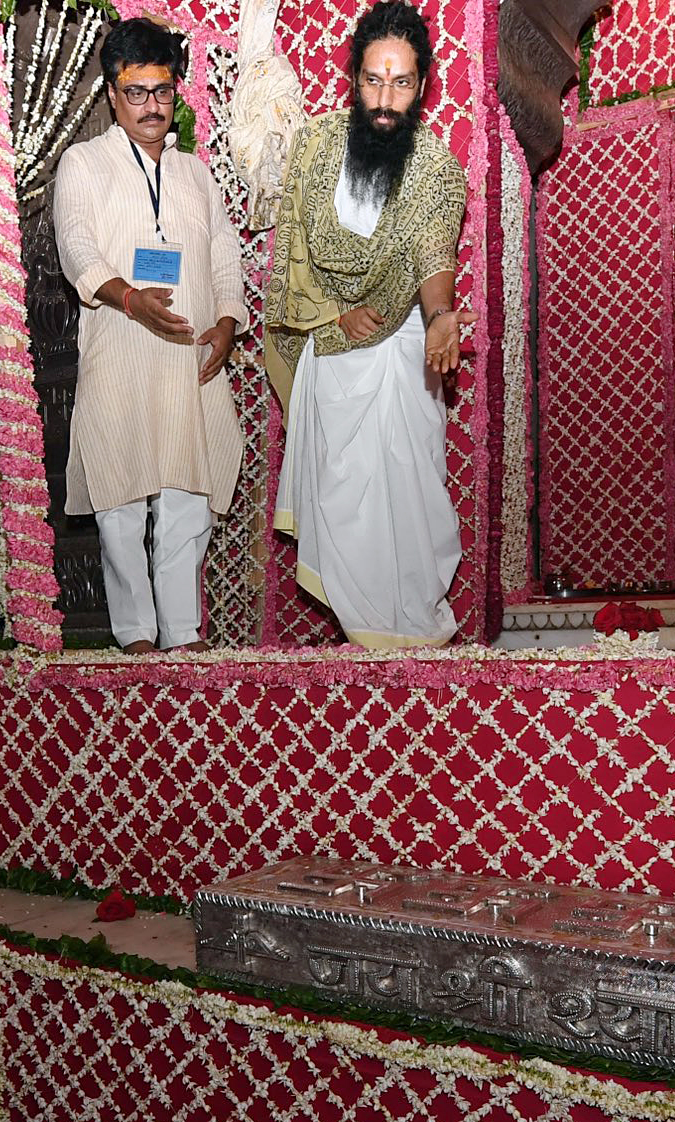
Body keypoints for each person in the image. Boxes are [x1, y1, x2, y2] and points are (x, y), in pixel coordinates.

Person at [263, 0, 474, 647]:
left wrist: (440, 316)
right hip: (331, 344)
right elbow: (293, 253)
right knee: (343, 494)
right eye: (374, 79)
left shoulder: (435, 167)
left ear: (421, 86)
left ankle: (416, 632)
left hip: (402, 342)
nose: (386, 97)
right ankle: (370, 639)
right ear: (354, 77)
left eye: (402, 81)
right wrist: (333, 315)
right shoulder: (316, 146)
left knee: (409, 494)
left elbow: (434, 249)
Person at [54, 18, 249, 652]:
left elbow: (224, 259)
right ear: (113, 92)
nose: (151, 106)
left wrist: (226, 322)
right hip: (121, 350)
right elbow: (77, 249)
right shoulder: (84, 164)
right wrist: (130, 298)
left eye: (162, 91)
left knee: (187, 499)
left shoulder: (195, 174)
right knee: (120, 499)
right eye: (136, 92)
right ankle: (136, 637)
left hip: (189, 358)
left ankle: (183, 636)